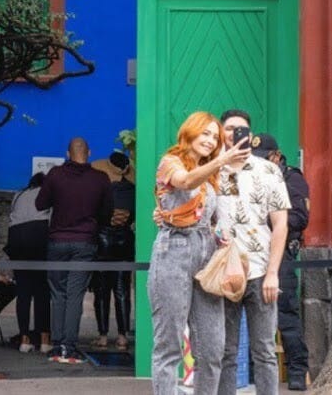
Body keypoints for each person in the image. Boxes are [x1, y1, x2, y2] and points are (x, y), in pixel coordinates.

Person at [148, 111, 245, 395]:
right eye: (205, 133)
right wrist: (221, 160)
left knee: (213, 349)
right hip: (173, 252)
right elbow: (186, 181)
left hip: (207, 255)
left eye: (215, 137)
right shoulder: (170, 162)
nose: (210, 140)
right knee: (169, 345)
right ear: (190, 132)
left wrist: (222, 234)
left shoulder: (214, 172)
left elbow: (219, 212)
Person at [214, 111, 290, 395]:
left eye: (241, 130)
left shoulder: (267, 170)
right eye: (229, 129)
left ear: (251, 134)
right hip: (223, 271)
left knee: (265, 351)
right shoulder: (212, 169)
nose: (234, 134)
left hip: (259, 271)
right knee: (226, 350)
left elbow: (280, 223)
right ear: (221, 133)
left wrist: (273, 273)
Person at [35, 137, 113, 364]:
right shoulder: (101, 179)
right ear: (89, 152)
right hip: (85, 243)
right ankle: (69, 346)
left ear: (68, 153)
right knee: (75, 295)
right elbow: (107, 214)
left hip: (57, 241)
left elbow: (40, 204)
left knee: (58, 294)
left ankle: (58, 345)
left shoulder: (56, 175)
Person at [251, 133, 310, 391]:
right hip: (251, 253)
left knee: (286, 314)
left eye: (265, 158)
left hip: (281, 252)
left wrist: (270, 223)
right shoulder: (249, 175)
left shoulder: (291, 178)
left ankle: (297, 369)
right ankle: (252, 370)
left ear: (276, 155)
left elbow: (299, 218)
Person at [90, 151, 135, 351]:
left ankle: (102, 336)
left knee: (101, 290)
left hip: (103, 239)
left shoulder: (102, 189)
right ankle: (123, 336)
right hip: (125, 239)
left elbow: (94, 213)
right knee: (122, 289)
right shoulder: (133, 188)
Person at [4, 171, 51, 354]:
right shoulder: (47, 194)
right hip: (38, 237)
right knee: (42, 292)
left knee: (23, 292)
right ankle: (45, 339)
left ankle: (24, 339)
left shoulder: (19, 194)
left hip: (16, 240)